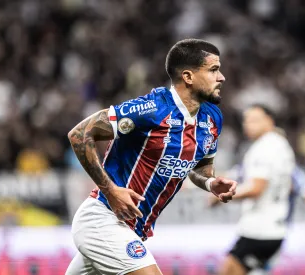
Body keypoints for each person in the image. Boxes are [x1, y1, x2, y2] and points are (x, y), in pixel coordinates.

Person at [65, 39, 238, 275]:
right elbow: (79, 134)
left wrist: (210, 182)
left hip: (133, 229)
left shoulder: (212, 118)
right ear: (188, 76)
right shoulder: (153, 109)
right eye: (213, 70)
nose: (221, 77)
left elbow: (199, 167)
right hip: (103, 220)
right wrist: (110, 190)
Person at [210, 104, 295, 275]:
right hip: (274, 226)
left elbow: (257, 188)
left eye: (254, 120)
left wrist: (224, 196)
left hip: (260, 229)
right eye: (246, 120)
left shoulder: (264, 148)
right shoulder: (280, 145)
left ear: (269, 121)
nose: (248, 124)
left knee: (228, 270)